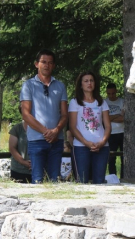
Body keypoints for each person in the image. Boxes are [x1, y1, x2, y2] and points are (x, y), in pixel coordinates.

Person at [20, 49, 68, 183]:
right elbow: (26, 114)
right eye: (43, 62)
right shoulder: (28, 85)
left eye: (50, 62)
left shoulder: (60, 86)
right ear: (36, 64)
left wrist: (56, 131)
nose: (46, 65)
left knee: (55, 179)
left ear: (54, 65)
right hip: (36, 140)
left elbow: (64, 114)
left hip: (56, 140)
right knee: (37, 180)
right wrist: (46, 132)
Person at [69, 71, 111, 184]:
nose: (89, 83)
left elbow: (107, 126)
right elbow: (72, 127)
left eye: (91, 80)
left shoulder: (102, 102)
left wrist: (102, 143)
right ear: (80, 84)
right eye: (86, 81)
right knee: (82, 180)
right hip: (81, 147)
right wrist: (86, 142)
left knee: (99, 181)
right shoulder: (74, 102)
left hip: (101, 147)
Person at [104, 82, 124, 178]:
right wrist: (117, 115)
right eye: (109, 94)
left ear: (116, 91)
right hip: (110, 133)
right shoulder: (104, 103)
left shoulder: (122, 102)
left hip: (122, 132)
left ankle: (124, 177)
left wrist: (109, 117)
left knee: (124, 157)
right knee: (111, 158)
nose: (111, 96)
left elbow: (123, 118)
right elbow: (103, 119)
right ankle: (113, 177)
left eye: (113, 93)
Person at [8, 105, 32, 183]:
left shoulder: (41, 127)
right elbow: (12, 148)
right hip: (18, 170)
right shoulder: (17, 128)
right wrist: (23, 162)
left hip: (38, 169)